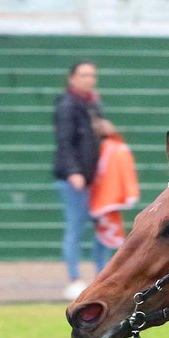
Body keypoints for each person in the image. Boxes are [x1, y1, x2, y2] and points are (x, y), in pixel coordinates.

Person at [52, 61, 104, 300]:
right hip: (75, 180)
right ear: (71, 78)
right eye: (83, 75)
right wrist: (74, 171)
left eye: (92, 75)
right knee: (75, 227)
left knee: (103, 229)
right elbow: (64, 142)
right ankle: (74, 278)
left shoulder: (93, 104)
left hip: (96, 180)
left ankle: (102, 275)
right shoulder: (67, 105)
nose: (89, 79)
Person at [88, 118, 139, 258]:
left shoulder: (110, 148)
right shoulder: (116, 148)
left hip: (103, 198)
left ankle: (102, 270)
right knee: (105, 236)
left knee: (104, 236)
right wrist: (129, 193)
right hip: (107, 198)